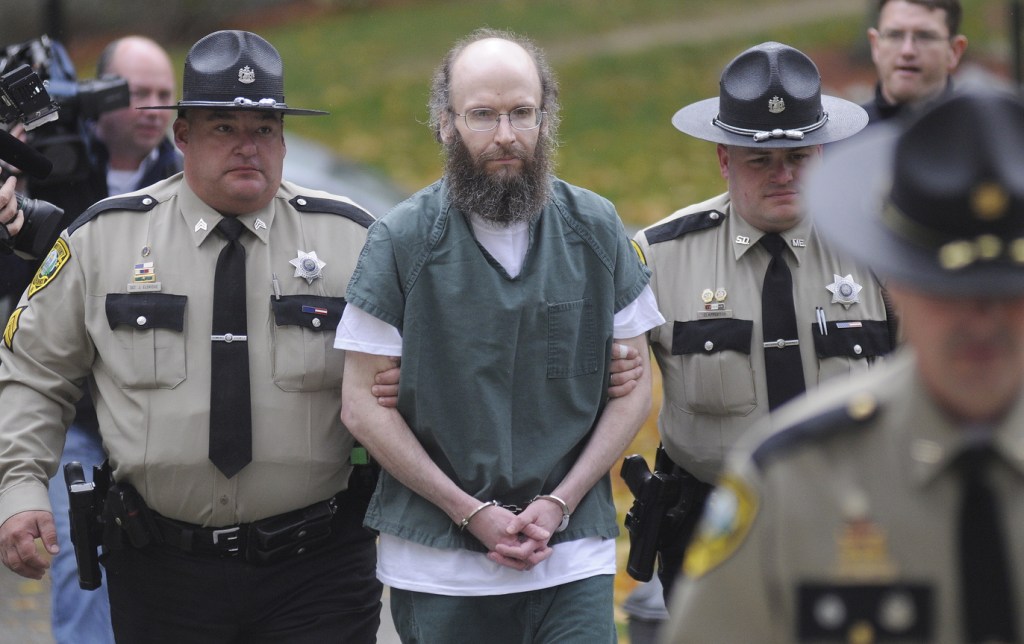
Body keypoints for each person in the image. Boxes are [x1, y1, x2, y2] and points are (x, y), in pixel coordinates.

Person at [0, 30, 382, 643]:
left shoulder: (355, 244)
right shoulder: (104, 241)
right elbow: (33, 372)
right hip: (161, 572)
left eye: (263, 129)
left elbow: (418, 375)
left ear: (283, 137)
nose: (247, 148)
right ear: (183, 137)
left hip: (319, 569)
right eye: (223, 128)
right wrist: (20, 490)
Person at [663, 88, 1024, 644]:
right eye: (949, 290)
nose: (982, 319)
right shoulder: (794, 474)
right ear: (899, 283)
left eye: (1008, 290)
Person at [338, 28, 663, 643]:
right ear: (444, 123)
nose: (506, 136)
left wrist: (560, 503)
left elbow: (635, 388)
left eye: (522, 113)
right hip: (440, 569)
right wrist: (471, 513)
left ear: (547, 118)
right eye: (482, 115)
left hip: (570, 559)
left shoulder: (596, 228)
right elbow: (361, 406)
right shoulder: (400, 242)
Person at [632, 41, 896, 599]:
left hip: (856, 519)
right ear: (724, 158)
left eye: (799, 157)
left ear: (821, 153)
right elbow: (611, 390)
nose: (783, 175)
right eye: (760, 160)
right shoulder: (660, 257)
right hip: (711, 525)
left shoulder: (876, 246)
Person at [41, 35, 180, 644]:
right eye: (136, 93)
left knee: (171, 564)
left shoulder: (188, 179)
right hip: (76, 415)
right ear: (96, 98)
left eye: (164, 96)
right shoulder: (50, 165)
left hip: (163, 412)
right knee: (79, 562)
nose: (153, 108)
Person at [863, 0, 968, 123]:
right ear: (875, 46)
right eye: (894, 35)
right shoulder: (846, 136)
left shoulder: (983, 136)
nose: (907, 51)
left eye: (925, 36)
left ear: (954, 51)